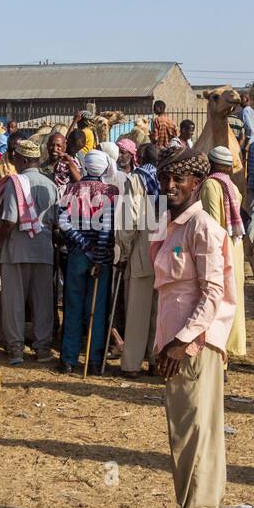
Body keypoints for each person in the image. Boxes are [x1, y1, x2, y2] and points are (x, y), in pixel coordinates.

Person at [150, 149, 236, 508]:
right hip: (184, 345)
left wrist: (182, 341)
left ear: (196, 183)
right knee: (203, 436)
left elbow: (212, 293)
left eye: (178, 179)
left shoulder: (200, 225)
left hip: (192, 349)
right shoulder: (176, 225)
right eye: (166, 178)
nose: (170, 186)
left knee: (192, 438)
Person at [0, 139, 59, 365]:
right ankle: (42, 349)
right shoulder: (49, 184)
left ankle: (16, 349)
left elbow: (10, 220)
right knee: (43, 302)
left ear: (22, 160)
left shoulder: (16, 183)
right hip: (43, 249)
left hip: (17, 250)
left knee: (14, 302)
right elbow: (57, 219)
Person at [56, 150, 118, 374]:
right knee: (97, 309)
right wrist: (98, 255)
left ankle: (68, 360)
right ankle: (94, 360)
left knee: (72, 306)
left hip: (77, 255)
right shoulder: (110, 191)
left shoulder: (72, 189)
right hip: (100, 258)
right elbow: (106, 228)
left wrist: (83, 244)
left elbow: (62, 220)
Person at [115, 143, 161, 378]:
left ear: (139, 158)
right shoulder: (165, 180)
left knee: (136, 312)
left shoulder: (134, 180)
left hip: (140, 251)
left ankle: (132, 364)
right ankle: (154, 361)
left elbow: (129, 220)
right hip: (162, 252)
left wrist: (123, 252)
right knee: (157, 312)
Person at [199, 147, 246, 357]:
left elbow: (212, 221)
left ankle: (219, 353)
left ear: (210, 163)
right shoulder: (232, 186)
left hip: (220, 250)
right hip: (234, 249)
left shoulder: (210, 184)